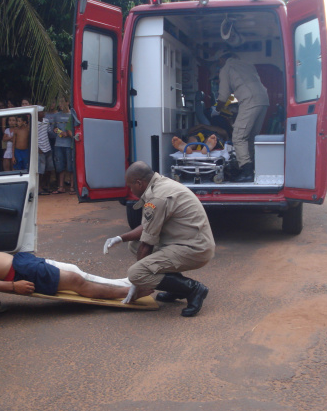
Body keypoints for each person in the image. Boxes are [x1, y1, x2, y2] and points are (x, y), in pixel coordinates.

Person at [103, 161, 215, 317]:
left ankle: (193, 288)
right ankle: (175, 288)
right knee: (133, 245)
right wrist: (120, 238)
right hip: (187, 242)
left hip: (195, 249)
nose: (130, 189)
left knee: (136, 272)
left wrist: (137, 282)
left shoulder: (157, 198)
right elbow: (148, 226)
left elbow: (147, 244)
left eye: (130, 186)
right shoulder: (160, 183)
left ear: (139, 183)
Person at [0, 231, 130, 300]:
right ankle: (127, 292)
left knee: (73, 271)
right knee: (75, 281)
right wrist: (13, 287)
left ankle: (120, 283)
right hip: (17, 272)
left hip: (20, 261)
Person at [215, 51, 269, 182]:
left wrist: (217, 108)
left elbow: (223, 93)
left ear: (222, 59)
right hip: (263, 100)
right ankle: (251, 168)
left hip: (250, 100)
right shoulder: (247, 64)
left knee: (238, 137)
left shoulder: (226, 68)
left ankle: (246, 171)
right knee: (249, 137)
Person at [50, 96, 75, 194]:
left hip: (69, 144)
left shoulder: (72, 114)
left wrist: (68, 134)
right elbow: (53, 128)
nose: (59, 104)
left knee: (70, 166)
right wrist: (56, 131)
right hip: (59, 144)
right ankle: (61, 186)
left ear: (67, 102)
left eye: (62, 102)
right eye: (59, 102)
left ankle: (72, 187)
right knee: (60, 166)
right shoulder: (57, 115)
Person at [36, 105, 55, 194]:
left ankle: (45, 186)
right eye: (42, 112)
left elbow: (49, 131)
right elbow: (32, 137)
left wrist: (58, 131)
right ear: (37, 113)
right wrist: (37, 148)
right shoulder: (34, 123)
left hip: (48, 148)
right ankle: (39, 188)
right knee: (41, 170)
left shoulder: (46, 121)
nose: (44, 113)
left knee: (49, 169)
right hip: (40, 149)